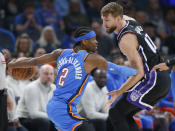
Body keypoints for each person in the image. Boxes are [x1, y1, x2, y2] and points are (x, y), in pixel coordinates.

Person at [8, 26, 137, 131]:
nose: (97, 42)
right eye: (93, 39)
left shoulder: (60, 52)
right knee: (87, 129)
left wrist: (13, 64)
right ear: (84, 41)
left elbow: (33, 61)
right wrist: (139, 72)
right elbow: (118, 69)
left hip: (55, 106)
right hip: (64, 109)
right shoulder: (91, 58)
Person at [101, 2, 171, 131]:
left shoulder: (125, 40)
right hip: (161, 77)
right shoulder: (130, 20)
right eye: (103, 20)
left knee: (115, 113)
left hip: (153, 79)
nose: (105, 25)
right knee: (125, 114)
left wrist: (119, 91)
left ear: (117, 19)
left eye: (108, 21)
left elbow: (138, 73)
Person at [16, 64, 56, 131]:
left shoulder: (54, 88)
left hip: (45, 117)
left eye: (51, 74)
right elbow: (34, 114)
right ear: (39, 74)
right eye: (46, 74)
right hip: (24, 119)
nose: (49, 76)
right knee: (44, 122)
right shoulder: (32, 88)